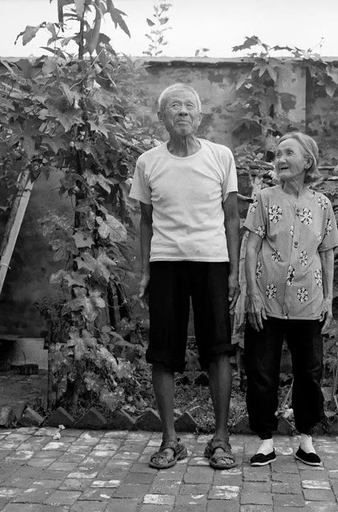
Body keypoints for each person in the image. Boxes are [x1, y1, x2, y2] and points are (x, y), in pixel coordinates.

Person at [129, 83, 240, 470]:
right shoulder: (148, 163)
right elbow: (145, 222)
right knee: (163, 351)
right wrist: (143, 270)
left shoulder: (220, 156)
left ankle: (221, 440)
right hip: (165, 263)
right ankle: (169, 440)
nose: (182, 112)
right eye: (173, 106)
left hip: (211, 261)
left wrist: (234, 273)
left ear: (200, 115)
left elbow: (231, 217)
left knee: (218, 349)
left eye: (189, 106)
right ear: (161, 117)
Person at [243, 131, 338, 467]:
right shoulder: (264, 198)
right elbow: (251, 247)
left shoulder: (323, 203)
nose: (280, 159)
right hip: (266, 302)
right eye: (277, 154)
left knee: (310, 372)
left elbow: (327, 253)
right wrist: (251, 293)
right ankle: (266, 441)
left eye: (288, 153)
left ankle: (306, 440)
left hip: (309, 301)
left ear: (307, 162)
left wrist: (329, 298)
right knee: (261, 371)